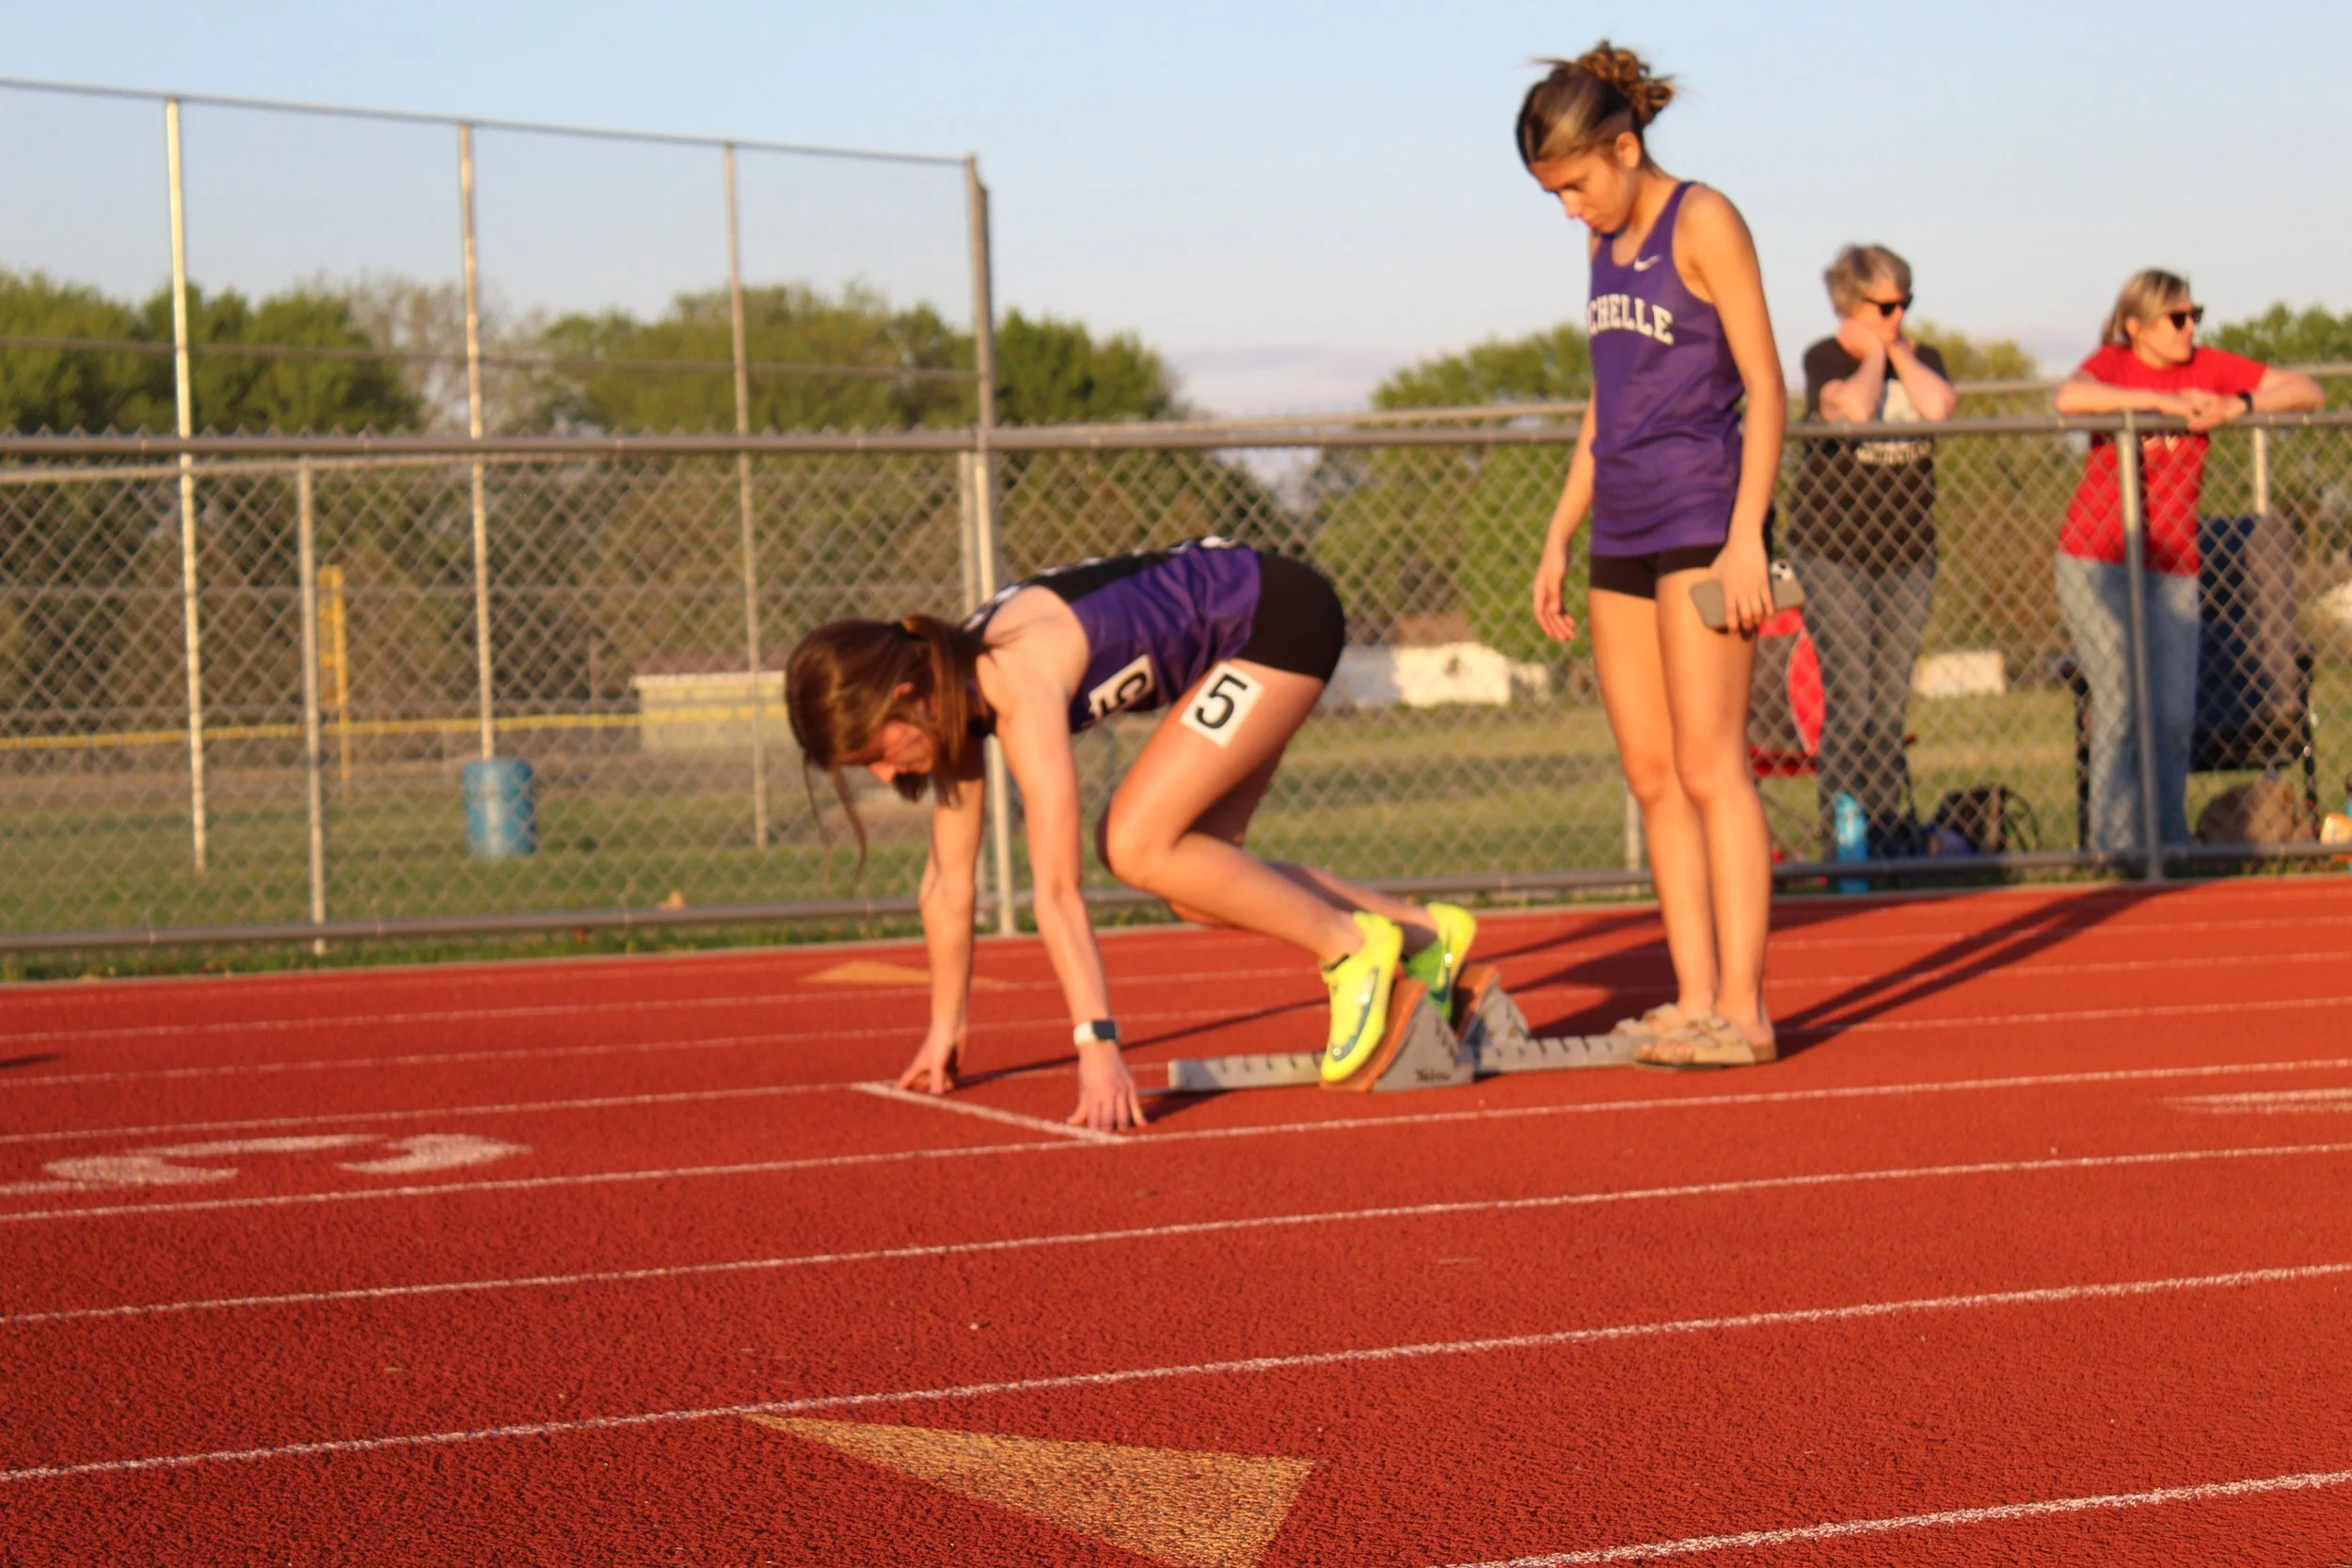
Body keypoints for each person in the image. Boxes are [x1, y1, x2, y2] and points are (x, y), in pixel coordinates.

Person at [786, 537, 1479, 1131]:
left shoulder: (1013, 681)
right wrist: (947, 1027)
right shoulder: (949, 685)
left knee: (1132, 843)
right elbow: (946, 883)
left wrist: (1099, 1045)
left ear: (907, 695)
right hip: (1245, 631)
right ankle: (1424, 935)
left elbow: (1056, 891)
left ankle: (1351, 946)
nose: (883, 775)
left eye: (876, 752)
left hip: (1277, 621)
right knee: (1200, 886)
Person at [1520, 44, 1785, 1069]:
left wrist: (1746, 533)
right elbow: (1608, 402)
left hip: (1701, 517)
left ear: (1625, 149)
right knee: (1652, 771)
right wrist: (1557, 528)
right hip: (1621, 525)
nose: (1568, 208)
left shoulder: (1703, 219)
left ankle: (1746, 1009)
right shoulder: (1599, 241)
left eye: (1576, 185)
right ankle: (1690, 997)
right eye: (1551, 194)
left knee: (1713, 764)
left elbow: (1767, 384)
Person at [2052, 270, 2322, 851]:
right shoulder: (2115, 362)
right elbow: (2070, 398)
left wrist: (2235, 405)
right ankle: (2116, 848)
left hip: (2173, 563)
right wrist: (2155, 401)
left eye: (2195, 314)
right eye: (2177, 318)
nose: (2189, 327)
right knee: (2121, 698)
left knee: (2174, 714)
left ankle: (2168, 846)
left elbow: (2306, 389)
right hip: (2097, 558)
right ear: (2136, 326)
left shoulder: (2206, 364)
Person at [1788, 245, 1957, 855]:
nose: (1899, 315)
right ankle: (1845, 837)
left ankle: (1890, 838)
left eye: (1905, 303)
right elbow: (1853, 409)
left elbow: (1938, 407)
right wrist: (1873, 356)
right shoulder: (1824, 357)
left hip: (1908, 553)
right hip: (1833, 551)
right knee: (1852, 698)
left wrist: (1896, 354)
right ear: (1853, 304)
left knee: (1888, 706)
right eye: (1886, 306)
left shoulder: (1923, 358)